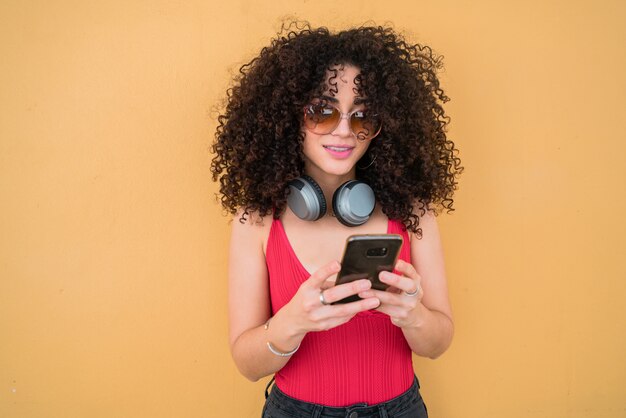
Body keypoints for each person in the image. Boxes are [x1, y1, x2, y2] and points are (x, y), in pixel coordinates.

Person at [211, 21, 462, 418]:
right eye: (322, 111)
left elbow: (438, 342)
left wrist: (412, 314)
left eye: (362, 116)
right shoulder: (257, 221)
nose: (345, 131)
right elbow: (247, 364)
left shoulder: (413, 212)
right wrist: (292, 321)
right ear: (287, 116)